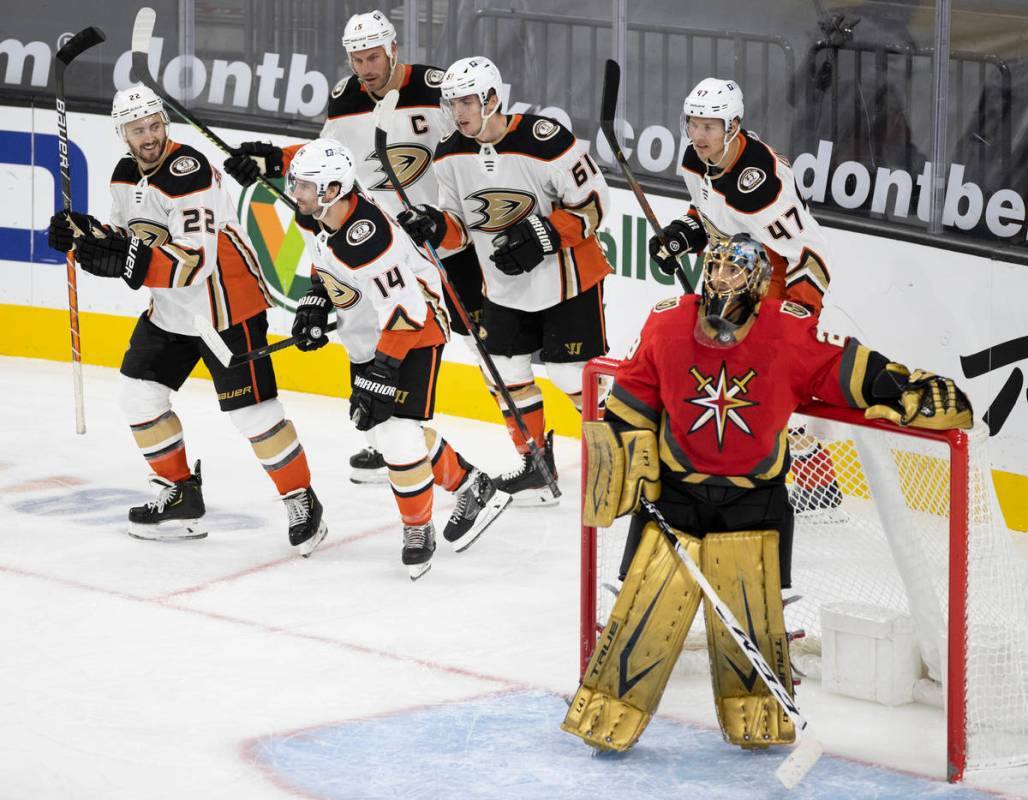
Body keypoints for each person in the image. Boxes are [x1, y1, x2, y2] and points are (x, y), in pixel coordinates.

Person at [562, 233, 972, 754]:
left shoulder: (786, 331)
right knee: (644, 612)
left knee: (751, 628)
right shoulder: (666, 322)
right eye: (715, 268)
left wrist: (905, 386)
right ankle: (606, 715)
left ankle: (753, 722)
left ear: (756, 285)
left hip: (755, 501)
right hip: (675, 495)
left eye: (734, 272)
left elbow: (840, 369)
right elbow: (634, 393)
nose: (720, 280)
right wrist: (626, 453)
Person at [47, 85, 328, 556]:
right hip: (171, 310)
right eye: (139, 130)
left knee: (252, 414)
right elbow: (132, 235)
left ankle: (301, 498)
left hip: (225, 306)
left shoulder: (189, 171)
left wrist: (127, 260)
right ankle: (180, 494)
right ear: (123, 134)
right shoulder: (123, 174)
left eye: (155, 125)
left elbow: (195, 261)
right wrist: (86, 232)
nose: (150, 136)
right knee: (138, 395)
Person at [222, 9, 486, 487]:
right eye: (356, 58)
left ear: (393, 49)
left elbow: (471, 142)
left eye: (373, 56)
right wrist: (270, 160)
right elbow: (332, 156)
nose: (365, 67)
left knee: (484, 341)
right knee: (366, 322)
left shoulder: (433, 87)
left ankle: (527, 446)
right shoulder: (345, 99)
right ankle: (388, 435)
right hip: (378, 243)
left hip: (443, 237)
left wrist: (450, 216)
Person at [284, 138, 510, 580]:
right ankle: (472, 484)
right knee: (390, 428)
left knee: (397, 435)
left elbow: (410, 313)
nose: (298, 192)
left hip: (416, 330)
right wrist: (316, 298)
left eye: (307, 186)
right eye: (298, 183)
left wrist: (383, 369)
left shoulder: (369, 239)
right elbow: (325, 260)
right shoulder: (321, 215)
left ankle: (417, 529)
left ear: (332, 189)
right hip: (372, 330)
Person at [396, 56, 614, 506]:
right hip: (502, 284)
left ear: (494, 99)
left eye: (468, 102)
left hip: (567, 279)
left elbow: (594, 204)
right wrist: (437, 227)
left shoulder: (545, 140)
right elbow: (459, 224)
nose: (458, 113)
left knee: (572, 375)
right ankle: (535, 461)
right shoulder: (451, 153)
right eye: (452, 103)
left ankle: (621, 458)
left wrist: (546, 233)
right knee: (506, 373)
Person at [650, 77, 841, 513]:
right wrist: (683, 234)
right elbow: (709, 213)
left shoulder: (764, 186)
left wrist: (797, 314)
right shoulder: (695, 161)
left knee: (763, 382)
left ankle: (818, 481)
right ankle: (722, 472)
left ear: (733, 126)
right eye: (693, 124)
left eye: (709, 127)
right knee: (718, 375)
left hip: (771, 275)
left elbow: (811, 252)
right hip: (727, 269)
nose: (697, 135)